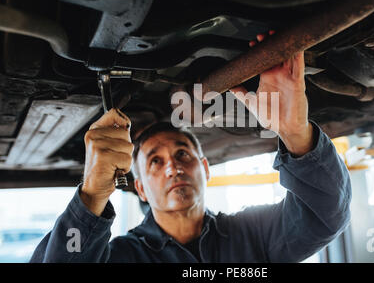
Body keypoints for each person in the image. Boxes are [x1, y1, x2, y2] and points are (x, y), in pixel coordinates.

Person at [30, 37, 352, 262]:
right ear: (140, 188)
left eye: (182, 154)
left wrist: (295, 133)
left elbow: (325, 216)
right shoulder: (123, 256)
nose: (173, 167)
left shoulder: (253, 234)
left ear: (206, 168)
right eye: (155, 162)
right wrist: (92, 196)